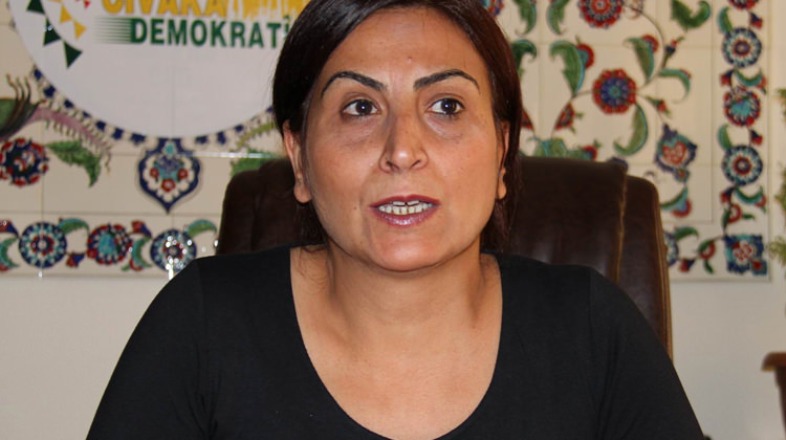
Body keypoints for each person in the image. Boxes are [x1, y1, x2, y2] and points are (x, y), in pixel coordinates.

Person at [88, 0, 705, 438]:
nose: (402, 149)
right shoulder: (200, 324)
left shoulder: (593, 331)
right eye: (360, 107)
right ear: (299, 159)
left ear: (501, 153)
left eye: (446, 106)